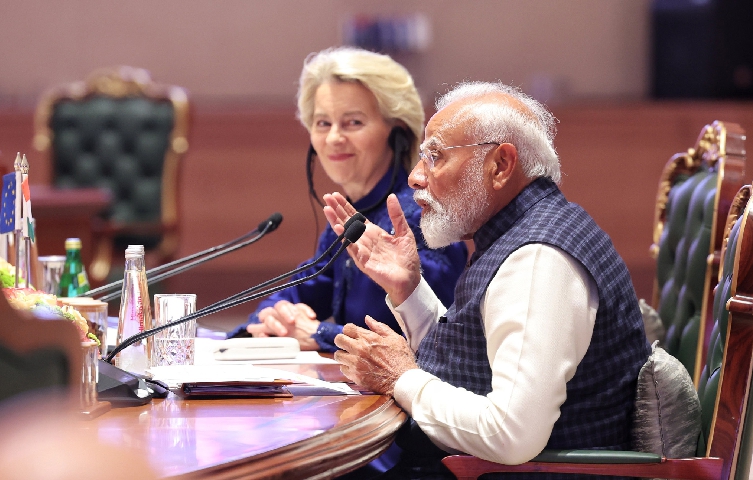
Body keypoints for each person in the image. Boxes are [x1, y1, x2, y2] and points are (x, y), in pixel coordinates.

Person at [324, 81, 650, 478]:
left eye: (435, 157)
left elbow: (510, 435)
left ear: (499, 165)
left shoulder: (538, 258)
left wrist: (401, 378)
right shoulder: (519, 232)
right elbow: (471, 365)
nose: (414, 177)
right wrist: (408, 289)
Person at [228, 47, 467, 353]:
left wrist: (318, 333)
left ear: (398, 134)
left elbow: (438, 340)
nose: (334, 138)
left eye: (353, 123)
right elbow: (301, 289)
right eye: (323, 123)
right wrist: (275, 317)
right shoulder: (352, 215)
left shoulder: (417, 218)